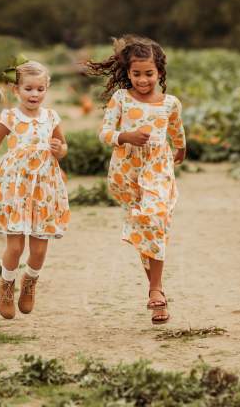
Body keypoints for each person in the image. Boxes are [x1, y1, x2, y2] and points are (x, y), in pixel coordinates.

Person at [85, 35, 186, 324]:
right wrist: (124, 136)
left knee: (154, 220)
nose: (142, 80)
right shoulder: (120, 99)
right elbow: (104, 133)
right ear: (128, 73)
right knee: (146, 227)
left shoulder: (170, 104)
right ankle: (158, 294)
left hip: (157, 168)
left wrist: (180, 148)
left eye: (149, 73)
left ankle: (155, 289)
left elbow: (177, 130)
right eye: (136, 74)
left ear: (160, 72)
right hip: (127, 172)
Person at [0, 60, 70, 319]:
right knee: (16, 245)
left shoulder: (51, 117)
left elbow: (63, 148)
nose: (35, 95)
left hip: (44, 186)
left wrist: (59, 150)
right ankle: (7, 285)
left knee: (40, 248)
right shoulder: (10, 116)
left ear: (46, 89)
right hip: (15, 186)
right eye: (29, 89)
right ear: (17, 90)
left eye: (40, 89)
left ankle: (30, 282)